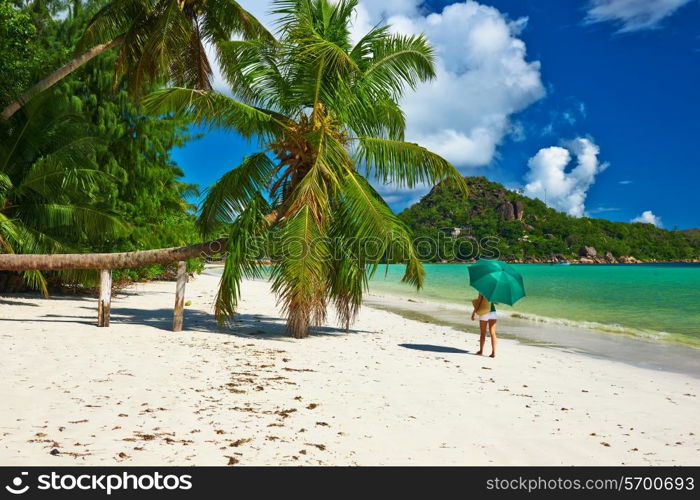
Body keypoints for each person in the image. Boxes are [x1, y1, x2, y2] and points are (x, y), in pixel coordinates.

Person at [470, 293, 497, 358]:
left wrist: (474, 313)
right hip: (493, 312)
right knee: (493, 333)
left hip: (484, 313)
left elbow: (479, 301)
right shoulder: (494, 290)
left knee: (483, 333)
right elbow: (497, 303)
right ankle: (493, 352)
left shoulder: (482, 290)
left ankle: (481, 351)